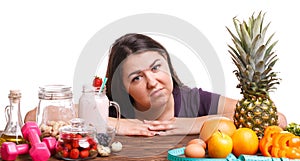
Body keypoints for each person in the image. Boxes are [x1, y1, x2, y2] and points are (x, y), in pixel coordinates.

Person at [24, 33, 287, 136]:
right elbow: (33, 117)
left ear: (168, 67)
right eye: (136, 77)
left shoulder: (194, 100)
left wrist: (190, 124)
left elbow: (279, 119)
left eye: (156, 68)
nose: (151, 81)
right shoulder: (112, 108)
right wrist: (113, 123)